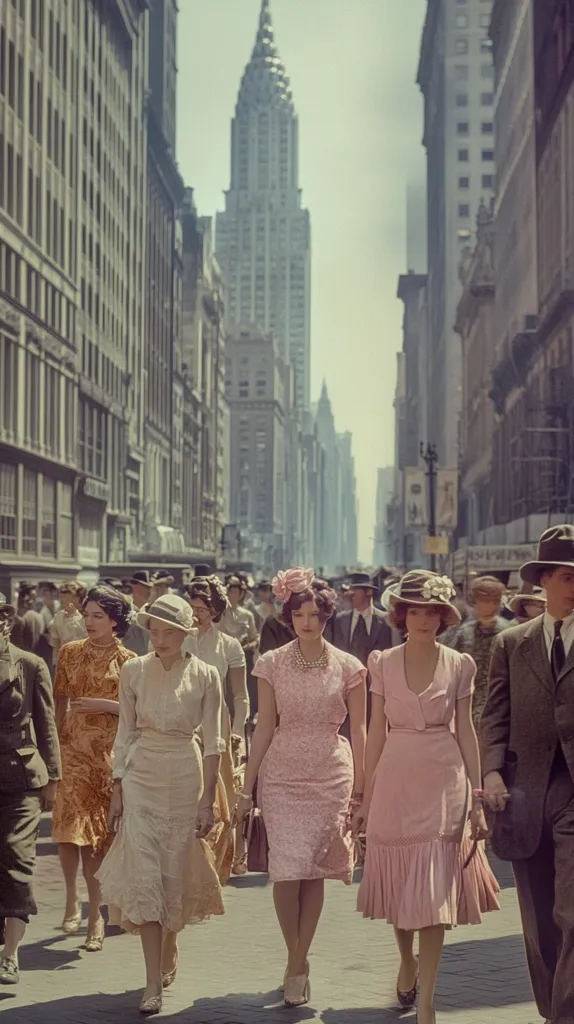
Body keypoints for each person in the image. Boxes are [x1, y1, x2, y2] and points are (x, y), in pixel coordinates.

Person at [355, 570, 500, 1024]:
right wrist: (364, 793)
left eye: (431, 611)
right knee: (401, 885)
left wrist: (476, 799)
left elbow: (468, 731)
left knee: (435, 890)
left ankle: (428, 1002)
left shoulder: (460, 664)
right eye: (414, 610)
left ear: (442, 616)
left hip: (444, 779)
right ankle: (406, 961)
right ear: (401, 615)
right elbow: (375, 730)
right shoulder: (381, 662)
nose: (423, 619)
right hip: (396, 776)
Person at [236, 568, 367, 1009]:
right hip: (282, 774)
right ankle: (297, 959)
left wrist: (363, 786)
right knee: (286, 871)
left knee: (313, 870)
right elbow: (264, 726)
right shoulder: (271, 663)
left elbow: (361, 730)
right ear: (288, 616)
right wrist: (246, 784)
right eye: (299, 614)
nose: (307, 622)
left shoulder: (350, 667)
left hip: (330, 773)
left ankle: (297, 961)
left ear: (328, 616)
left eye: (315, 614)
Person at [97, 594, 224, 1015]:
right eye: (154, 629)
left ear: (186, 633)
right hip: (142, 776)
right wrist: (117, 787)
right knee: (146, 875)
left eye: (170, 630)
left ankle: (171, 942)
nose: (160, 638)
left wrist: (208, 800)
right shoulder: (133, 669)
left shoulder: (206, 674)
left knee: (173, 876)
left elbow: (215, 740)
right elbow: (124, 733)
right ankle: (151, 980)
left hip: (186, 778)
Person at [481, 524, 574, 1024]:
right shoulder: (512, 645)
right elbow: (495, 714)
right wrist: (492, 771)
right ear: (543, 581)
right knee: (540, 921)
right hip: (525, 795)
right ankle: (553, 1009)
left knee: (572, 913)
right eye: (566, 576)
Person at [52, 585, 135, 951]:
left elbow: (136, 713)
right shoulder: (69, 653)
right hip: (71, 749)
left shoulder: (130, 662)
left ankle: (95, 914)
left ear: (115, 620)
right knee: (67, 830)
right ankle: (71, 897)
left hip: (107, 754)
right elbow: (56, 704)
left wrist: (106, 704)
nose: (88, 622)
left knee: (98, 840)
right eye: (86, 614)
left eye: (98, 615)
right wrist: (52, 752)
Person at [0, 601, 61, 986]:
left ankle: (10, 954)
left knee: (17, 860)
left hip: (20, 777)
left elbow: (47, 723)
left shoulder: (30, 665)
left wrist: (53, 778)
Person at [185, 576, 250, 880]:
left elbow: (240, 695)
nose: (196, 614)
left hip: (217, 723)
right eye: (192, 607)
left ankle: (226, 856)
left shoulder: (229, 646)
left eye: (202, 609)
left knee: (223, 792)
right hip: (182, 718)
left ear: (215, 611)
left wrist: (236, 730)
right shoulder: (176, 637)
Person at [442, 575, 508, 732]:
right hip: (468, 704)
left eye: (495, 601)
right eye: (485, 601)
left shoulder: (509, 633)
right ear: (475, 602)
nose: (490, 607)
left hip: (501, 706)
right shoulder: (463, 633)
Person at [50, 582, 87, 668]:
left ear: (76, 598)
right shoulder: (58, 617)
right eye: (61, 596)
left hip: (83, 664)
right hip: (65, 664)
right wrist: (56, 663)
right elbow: (56, 643)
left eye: (66, 597)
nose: (62, 600)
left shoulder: (86, 617)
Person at [10, 583, 46, 659]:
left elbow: (15, 644)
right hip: (36, 659)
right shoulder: (39, 617)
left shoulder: (21, 620)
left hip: (21, 659)